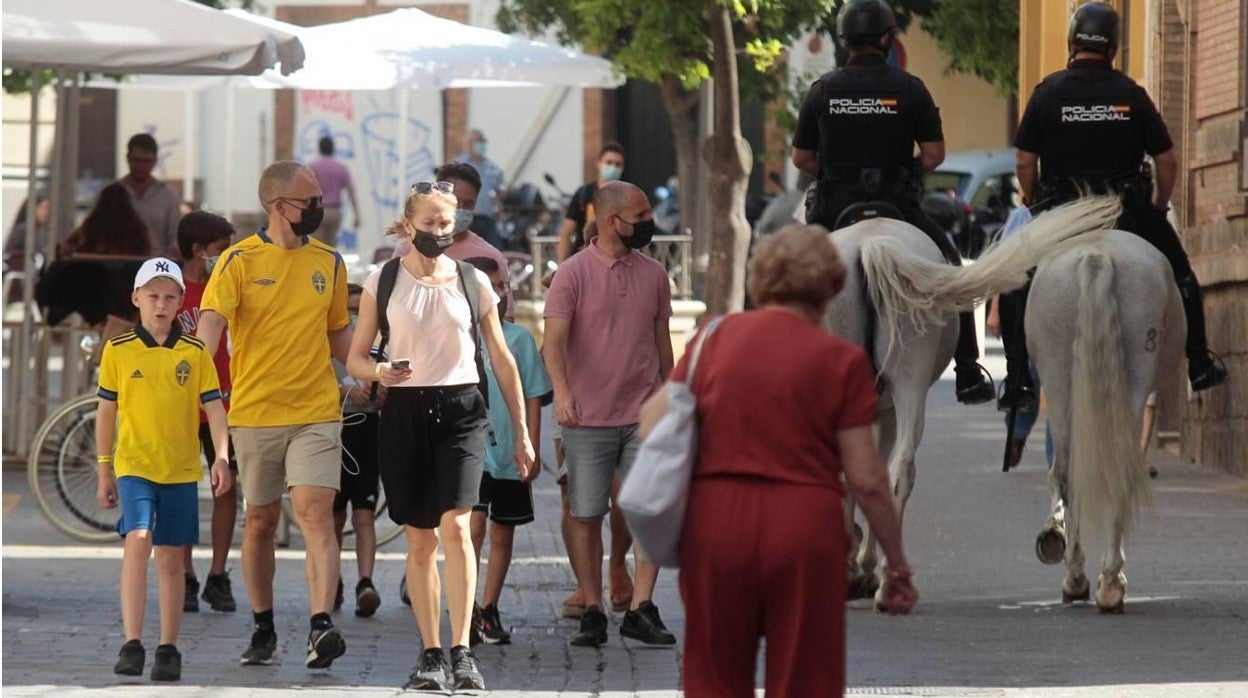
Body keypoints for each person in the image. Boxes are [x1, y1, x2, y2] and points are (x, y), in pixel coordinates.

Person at [639, 225, 917, 697]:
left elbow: (651, 421)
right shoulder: (841, 361)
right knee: (804, 679)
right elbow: (868, 480)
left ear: (761, 280)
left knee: (714, 678)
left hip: (716, 524)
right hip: (803, 529)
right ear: (832, 288)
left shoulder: (712, 339)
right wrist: (895, 563)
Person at [346, 181, 535, 692]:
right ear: (408, 225)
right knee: (421, 539)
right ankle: (431, 653)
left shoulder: (473, 281)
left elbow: (502, 358)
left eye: (444, 225)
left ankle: (463, 650)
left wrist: (521, 432)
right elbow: (356, 356)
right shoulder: (381, 280)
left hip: (462, 409)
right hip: (405, 411)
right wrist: (380, 374)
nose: (436, 233)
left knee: (458, 528)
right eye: (427, 224)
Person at [1002, 1, 1226, 411]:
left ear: (1073, 43)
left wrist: (1033, 199)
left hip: (1063, 215)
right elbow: (1167, 162)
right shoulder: (1131, 95)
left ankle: (1017, 379)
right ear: (1113, 48)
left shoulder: (1048, 91)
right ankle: (1198, 361)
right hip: (1128, 213)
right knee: (1180, 272)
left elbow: (1024, 160)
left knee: (1017, 280)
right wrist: (1157, 205)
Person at [790, 0, 994, 406]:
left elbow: (801, 158)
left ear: (845, 40)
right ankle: (968, 367)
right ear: (886, 39)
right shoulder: (911, 89)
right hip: (898, 206)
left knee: (793, 275)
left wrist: (834, 171)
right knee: (951, 265)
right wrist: (905, 170)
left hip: (836, 207)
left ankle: (787, 361)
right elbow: (934, 155)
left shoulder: (823, 90)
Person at [196, 160, 353, 669]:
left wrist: (370, 371)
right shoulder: (237, 261)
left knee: (314, 512)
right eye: (311, 199)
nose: (320, 206)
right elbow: (212, 327)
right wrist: (190, 382)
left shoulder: (329, 262)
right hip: (255, 413)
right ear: (280, 206)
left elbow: (339, 336)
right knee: (260, 521)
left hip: (316, 410)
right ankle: (263, 627)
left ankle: (320, 625)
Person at [543, 180, 677, 648]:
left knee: (649, 511)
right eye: (639, 217)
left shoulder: (656, 275)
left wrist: (673, 399)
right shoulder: (572, 274)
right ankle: (594, 608)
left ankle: (642, 607)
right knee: (585, 514)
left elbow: (663, 346)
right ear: (609, 221)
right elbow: (553, 344)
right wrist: (562, 394)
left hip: (644, 416)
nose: (647, 225)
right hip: (586, 418)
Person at [95, 257, 232, 682]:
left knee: (171, 558)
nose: (161, 304)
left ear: (180, 303)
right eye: (152, 296)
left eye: (170, 297)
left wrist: (222, 456)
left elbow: (215, 407)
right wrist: (104, 468)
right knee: (138, 541)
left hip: (179, 470)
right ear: (136, 299)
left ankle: (168, 647)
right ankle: (131, 642)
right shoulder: (118, 350)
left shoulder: (194, 353)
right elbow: (105, 410)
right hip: (134, 465)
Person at [463, 255, 552, 645]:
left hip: (509, 452)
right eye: (491, 287)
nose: (499, 294)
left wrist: (527, 443)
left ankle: (490, 606)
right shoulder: (458, 337)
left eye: (503, 287)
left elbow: (533, 395)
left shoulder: (518, 340)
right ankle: (465, 606)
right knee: (473, 527)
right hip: (470, 450)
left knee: (503, 531)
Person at [173, 211, 238, 614]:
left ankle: (217, 573)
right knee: (179, 490)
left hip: (226, 401)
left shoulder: (229, 285)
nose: (227, 256)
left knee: (226, 486)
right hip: (179, 406)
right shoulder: (170, 289)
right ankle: (184, 573)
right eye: (221, 249)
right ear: (198, 250)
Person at [332, 282, 384, 618]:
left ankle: (366, 581)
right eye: (347, 310)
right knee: (332, 516)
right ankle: (331, 579)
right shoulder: (325, 345)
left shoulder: (377, 349)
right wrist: (345, 393)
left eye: (358, 311)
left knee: (364, 514)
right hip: (333, 432)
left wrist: (380, 395)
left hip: (367, 432)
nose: (352, 318)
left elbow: (389, 385)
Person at [555, 142, 627, 266]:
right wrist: (561, 267)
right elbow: (567, 231)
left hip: (616, 261)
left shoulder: (626, 196)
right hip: (584, 260)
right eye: (609, 163)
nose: (613, 167)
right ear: (599, 164)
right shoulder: (584, 194)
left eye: (618, 164)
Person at [117, 133, 182, 256]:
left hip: (156, 267)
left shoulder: (168, 197)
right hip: (116, 266)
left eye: (147, 161)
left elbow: (175, 237)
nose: (141, 167)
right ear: (127, 158)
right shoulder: (112, 195)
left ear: (155, 161)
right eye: (137, 160)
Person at [58, 183, 154, 259]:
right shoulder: (137, 229)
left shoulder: (89, 227)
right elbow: (147, 253)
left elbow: (65, 250)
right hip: (127, 278)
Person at [308, 135, 361, 249]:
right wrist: (356, 214)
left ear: (319, 148)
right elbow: (351, 191)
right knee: (331, 245)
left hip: (317, 209)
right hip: (335, 211)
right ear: (332, 149)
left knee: (316, 245)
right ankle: (330, 265)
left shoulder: (312, 167)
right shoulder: (341, 168)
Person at [455, 129, 505, 249]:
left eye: (483, 141)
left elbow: (500, 189)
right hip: (465, 218)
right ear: (469, 144)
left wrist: (498, 201)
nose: (481, 144)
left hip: (487, 218)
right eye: (478, 141)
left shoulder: (491, 167)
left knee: (495, 250)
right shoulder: (459, 164)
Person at [4, 192, 50, 272]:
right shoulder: (24, 230)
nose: (45, 213)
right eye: (42, 208)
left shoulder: (39, 231)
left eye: (47, 209)